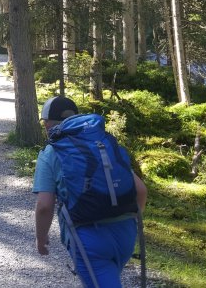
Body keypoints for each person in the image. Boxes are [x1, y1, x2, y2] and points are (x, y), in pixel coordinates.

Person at [33, 96, 147, 288]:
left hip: (88, 238)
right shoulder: (104, 144)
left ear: (46, 125)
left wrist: (41, 239)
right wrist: (131, 222)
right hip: (126, 233)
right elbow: (141, 190)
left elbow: (44, 205)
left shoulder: (51, 152)